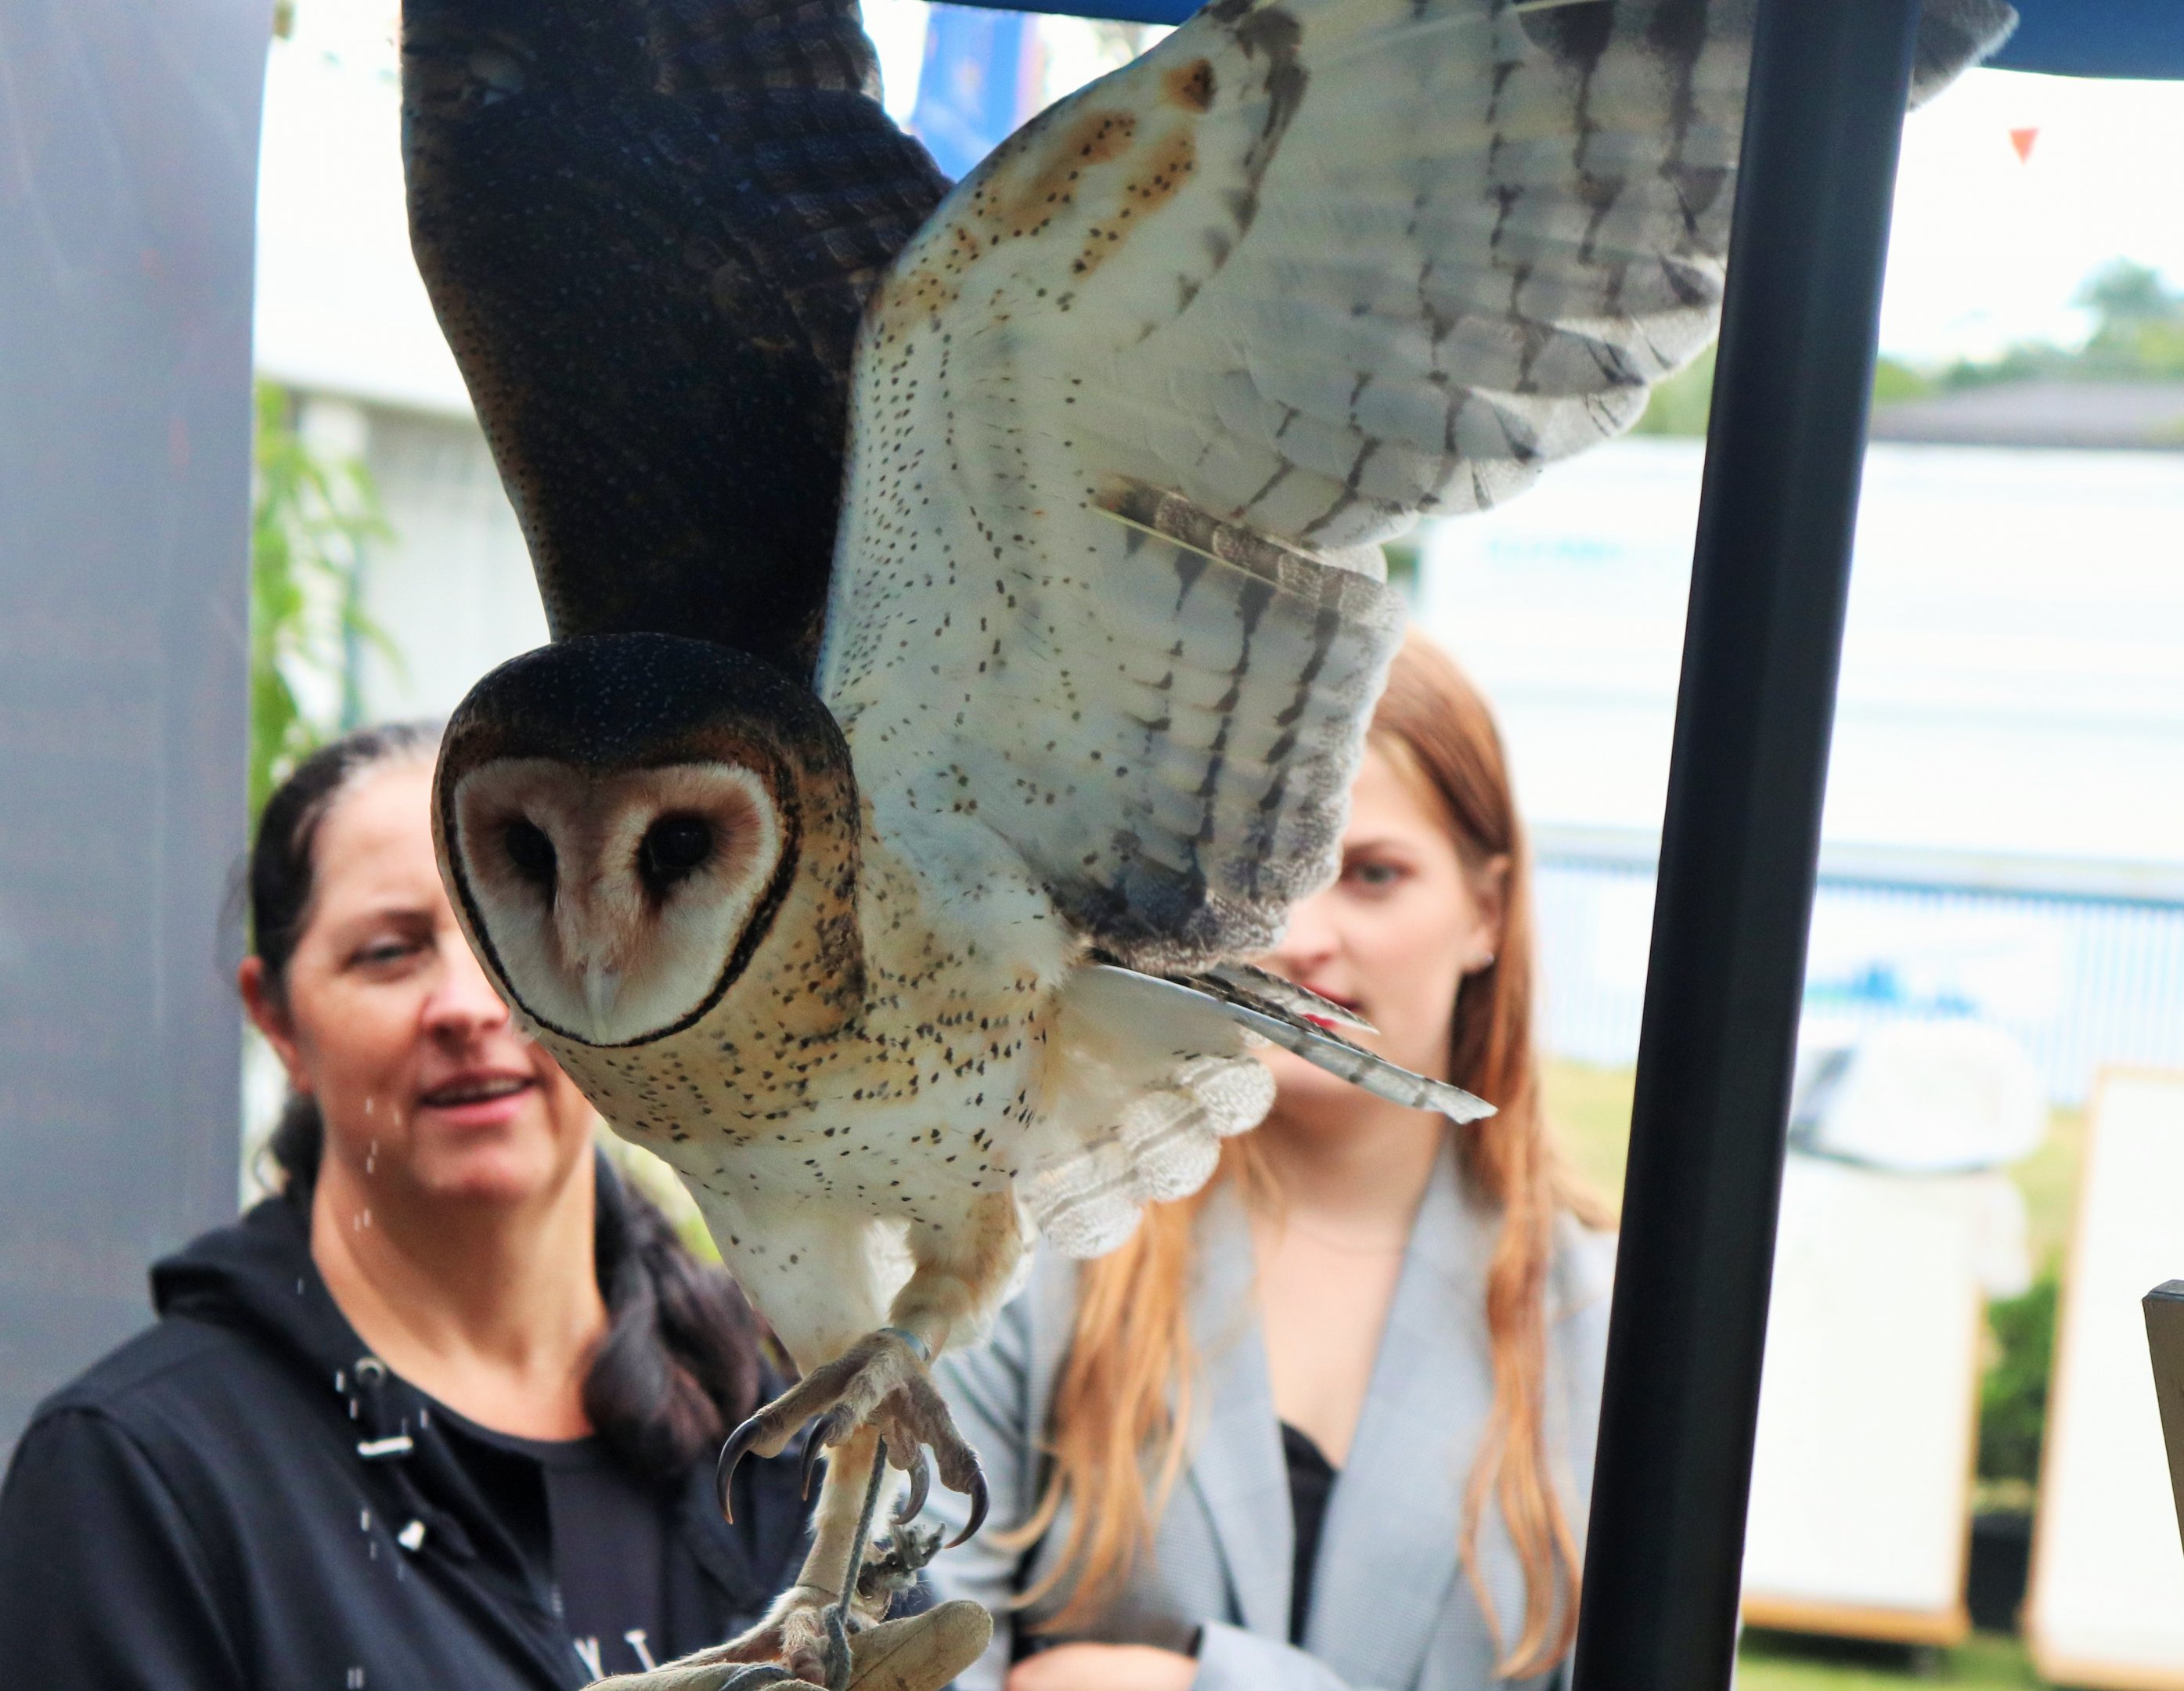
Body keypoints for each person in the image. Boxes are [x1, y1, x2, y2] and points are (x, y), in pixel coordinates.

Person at [0, 723, 812, 1689]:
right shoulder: (142, 1476)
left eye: (515, 931)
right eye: (390, 952)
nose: (467, 1006)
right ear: (279, 1022)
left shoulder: (777, 1451)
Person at [925, 632, 1616, 1691]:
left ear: (1485, 907)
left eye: (1373, 875)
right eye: (1258, 873)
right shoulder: (1034, 1238)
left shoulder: (1601, 1329)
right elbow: (897, 1651)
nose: (1302, 937)